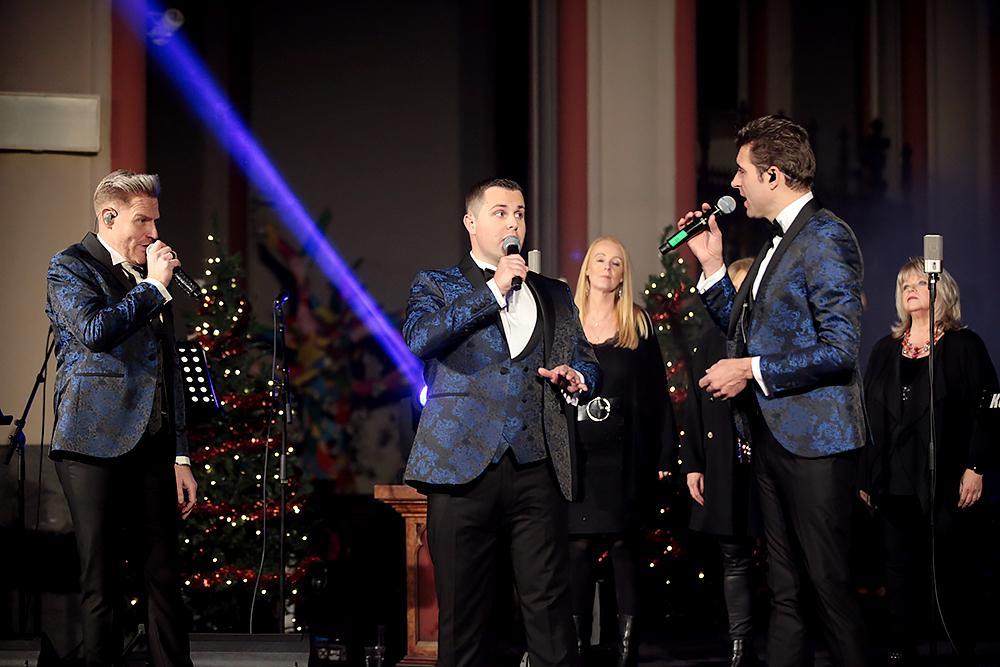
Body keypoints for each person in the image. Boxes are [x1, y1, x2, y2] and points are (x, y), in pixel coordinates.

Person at [678, 115, 867, 667]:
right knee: (785, 593)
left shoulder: (826, 236)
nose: (734, 183)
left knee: (828, 588)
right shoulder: (770, 247)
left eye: (742, 171)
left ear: (774, 175)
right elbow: (741, 332)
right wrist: (712, 265)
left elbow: (840, 348)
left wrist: (751, 370)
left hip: (816, 445)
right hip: (771, 440)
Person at [403, 177, 600, 667]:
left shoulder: (554, 293)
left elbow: (586, 358)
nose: (513, 222)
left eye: (519, 213)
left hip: (537, 465)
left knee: (550, 612)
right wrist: (493, 290)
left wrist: (578, 377)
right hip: (460, 470)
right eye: (500, 212)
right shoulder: (436, 284)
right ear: (471, 222)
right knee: (464, 619)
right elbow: (420, 339)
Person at [46, 169, 197, 666]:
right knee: (102, 580)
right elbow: (95, 330)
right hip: (90, 443)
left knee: (164, 577)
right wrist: (152, 287)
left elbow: (168, 369)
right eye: (143, 221)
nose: (154, 233)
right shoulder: (71, 266)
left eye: (155, 221)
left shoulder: (150, 282)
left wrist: (180, 455)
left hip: (151, 445)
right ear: (109, 217)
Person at [859, 259, 998, 666]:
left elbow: (990, 407)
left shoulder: (965, 345)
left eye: (920, 282)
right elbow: (867, 415)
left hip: (948, 479)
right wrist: (866, 473)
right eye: (904, 285)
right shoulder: (884, 350)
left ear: (942, 291)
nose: (911, 290)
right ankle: (899, 650)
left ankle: (958, 648)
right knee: (897, 573)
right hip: (893, 481)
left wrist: (976, 467)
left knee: (951, 571)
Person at [566, 237, 675, 667]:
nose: (608, 267)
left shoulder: (637, 322)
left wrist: (665, 455)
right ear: (587, 269)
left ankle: (627, 653)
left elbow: (658, 394)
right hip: (577, 457)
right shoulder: (566, 321)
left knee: (625, 548)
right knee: (576, 548)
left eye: (616, 262)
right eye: (600, 260)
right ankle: (576, 650)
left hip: (626, 457)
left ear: (623, 273)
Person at [682, 257, 761, 667]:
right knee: (733, 556)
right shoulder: (710, 338)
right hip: (724, 464)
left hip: (766, 463)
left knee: (782, 556)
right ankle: (739, 646)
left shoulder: (767, 335)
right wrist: (693, 463)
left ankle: (783, 640)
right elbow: (694, 405)